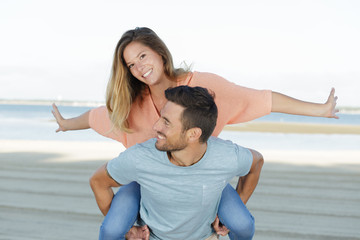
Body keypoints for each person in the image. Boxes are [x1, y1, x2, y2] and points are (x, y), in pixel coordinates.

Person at [52, 27, 338, 239]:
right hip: (148, 183)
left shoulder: (203, 87)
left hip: (204, 178)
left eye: (142, 56)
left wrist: (319, 110)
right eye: (130, 64)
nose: (139, 67)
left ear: (160, 52)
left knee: (242, 224)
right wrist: (66, 124)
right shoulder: (131, 104)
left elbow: (261, 99)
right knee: (111, 230)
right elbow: (94, 117)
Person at [90, 86, 264, 240]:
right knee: (111, 231)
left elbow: (256, 162)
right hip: (151, 226)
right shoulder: (140, 157)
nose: (156, 126)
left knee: (242, 224)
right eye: (161, 117)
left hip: (205, 223)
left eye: (166, 122)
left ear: (193, 134)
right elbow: (98, 180)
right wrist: (128, 231)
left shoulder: (227, 156)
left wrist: (232, 209)